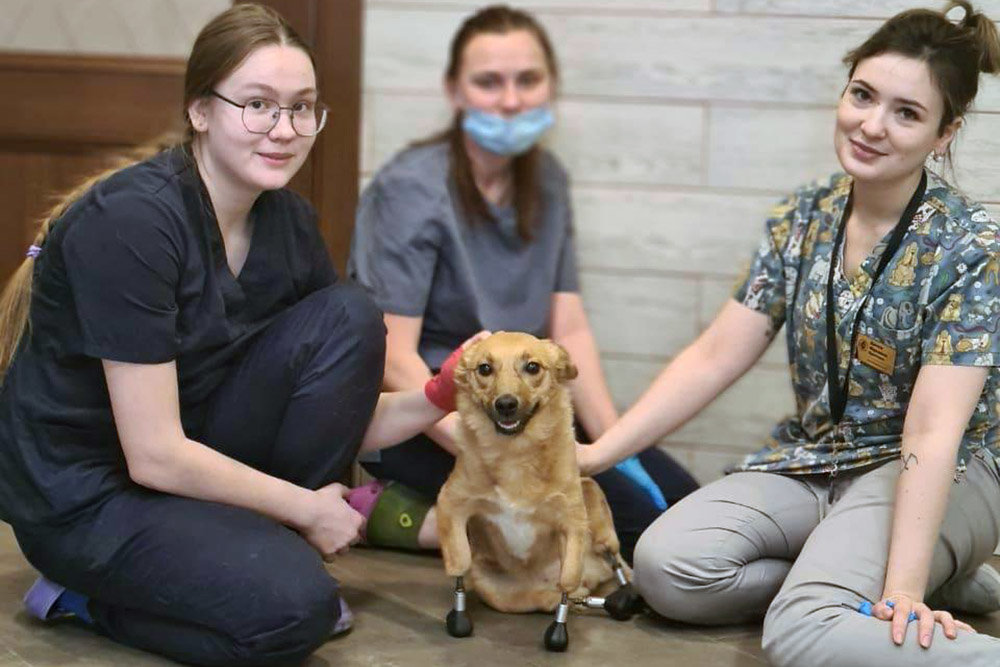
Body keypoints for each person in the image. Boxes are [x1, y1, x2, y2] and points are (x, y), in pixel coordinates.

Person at [0, 5, 461, 666]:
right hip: (88, 497)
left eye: (302, 108)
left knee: (353, 314)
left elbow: (340, 415)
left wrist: (442, 394)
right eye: (258, 105)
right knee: (295, 612)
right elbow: (153, 453)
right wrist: (306, 507)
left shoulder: (289, 224)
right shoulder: (133, 224)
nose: (285, 129)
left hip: (190, 457)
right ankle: (80, 595)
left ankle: (248, 553)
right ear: (200, 111)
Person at [577, 2, 1000, 664]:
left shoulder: (972, 245)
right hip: (819, 462)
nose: (871, 125)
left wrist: (902, 589)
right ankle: (842, 583)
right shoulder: (802, 216)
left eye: (906, 113)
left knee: (802, 629)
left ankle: (894, 604)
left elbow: (933, 430)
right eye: (862, 95)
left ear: (944, 134)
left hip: (941, 474)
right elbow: (716, 354)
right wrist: (599, 452)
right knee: (665, 567)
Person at [347, 4, 699, 562]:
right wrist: (481, 448)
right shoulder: (410, 189)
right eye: (489, 82)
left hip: (526, 407)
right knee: (629, 541)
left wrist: (614, 446)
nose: (510, 100)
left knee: (682, 510)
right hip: (424, 421)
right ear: (455, 91)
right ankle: (391, 513)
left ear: (550, 87)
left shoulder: (548, 181)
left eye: (527, 80)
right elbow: (394, 356)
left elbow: (569, 326)